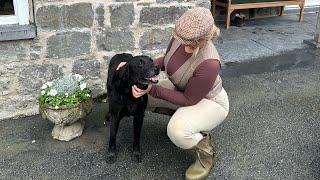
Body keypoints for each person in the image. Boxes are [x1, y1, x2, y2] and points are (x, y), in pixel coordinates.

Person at [119, 7, 229, 180]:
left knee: (177, 131)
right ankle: (185, 120)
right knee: (139, 96)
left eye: (191, 43)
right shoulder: (180, 37)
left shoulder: (210, 63)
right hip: (184, 91)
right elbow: (166, 59)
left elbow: (188, 99)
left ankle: (206, 155)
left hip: (210, 102)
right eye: (183, 40)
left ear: (203, 39)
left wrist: (152, 88)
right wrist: (132, 66)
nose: (184, 46)